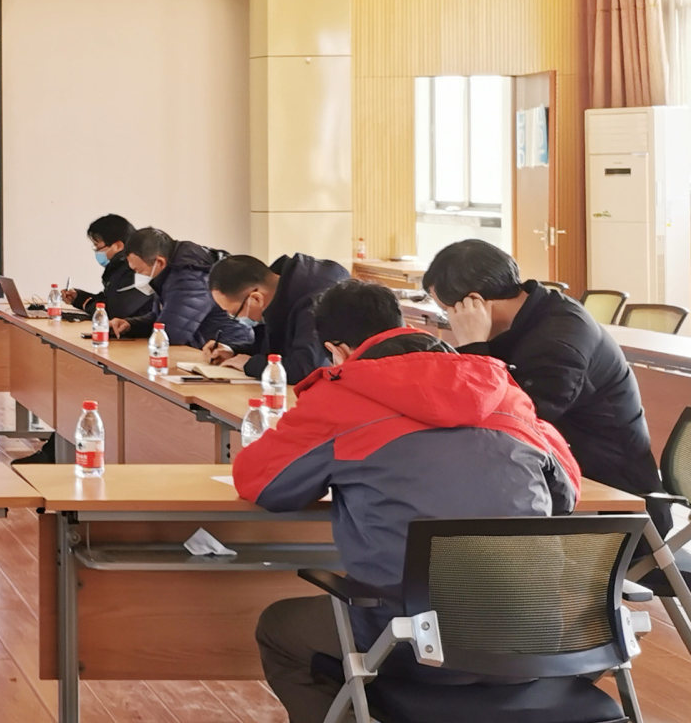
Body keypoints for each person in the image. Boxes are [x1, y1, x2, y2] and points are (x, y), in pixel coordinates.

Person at [234, 280, 581, 723]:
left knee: (279, 629)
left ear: (337, 351)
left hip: (411, 641)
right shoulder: (504, 391)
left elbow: (261, 482)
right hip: (535, 635)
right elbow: (566, 491)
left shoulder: (341, 396)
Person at [423, 239, 661, 499]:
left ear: (474, 303)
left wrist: (473, 347)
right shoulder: (533, 314)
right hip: (555, 473)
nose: (450, 321)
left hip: (610, 491)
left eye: (447, 312)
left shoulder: (557, 341)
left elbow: (510, 425)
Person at [204, 252, 350, 385]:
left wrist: (249, 364)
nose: (237, 319)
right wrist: (233, 351)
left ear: (256, 298)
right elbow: (274, 350)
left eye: (235, 313)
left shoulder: (314, 302)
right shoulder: (279, 292)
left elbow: (304, 369)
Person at [110, 227, 252, 349]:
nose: (138, 276)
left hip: (227, 350)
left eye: (139, 271)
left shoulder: (190, 277)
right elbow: (161, 317)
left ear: (159, 262)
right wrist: (129, 325)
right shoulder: (170, 271)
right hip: (204, 348)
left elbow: (171, 334)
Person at [61, 214, 156, 321]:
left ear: (118, 246)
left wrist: (86, 303)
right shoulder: (118, 268)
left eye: (97, 247)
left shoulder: (136, 269)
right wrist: (79, 297)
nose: (97, 252)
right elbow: (110, 300)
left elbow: (114, 312)